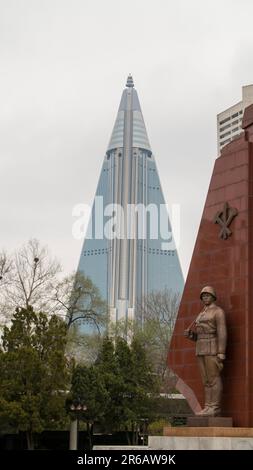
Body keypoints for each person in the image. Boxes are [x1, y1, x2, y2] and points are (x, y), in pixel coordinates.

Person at [184, 286, 227, 416]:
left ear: (213, 297)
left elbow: (222, 332)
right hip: (200, 348)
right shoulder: (201, 312)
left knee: (214, 379)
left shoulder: (218, 312)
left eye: (207, 295)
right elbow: (199, 336)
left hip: (212, 349)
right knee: (206, 381)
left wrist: (221, 351)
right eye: (203, 296)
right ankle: (207, 407)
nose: (205, 298)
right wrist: (191, 335)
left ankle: (215, 407)